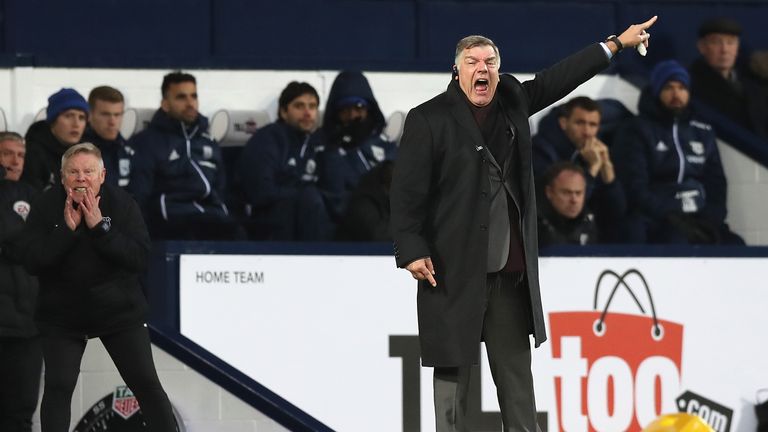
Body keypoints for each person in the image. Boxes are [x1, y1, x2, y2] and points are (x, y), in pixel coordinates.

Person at [390, 17, 656, 431]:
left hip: (508, 276)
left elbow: (559, 79)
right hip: (451, 271)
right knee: (450, 392)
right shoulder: (428, 119)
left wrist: (615, 45)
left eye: (491, 61)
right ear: (456, 70)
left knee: (517, 387)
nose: (483, 68)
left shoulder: (513, 99)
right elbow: (406, 193)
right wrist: (410, 248)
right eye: (473, 61)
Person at [13, 143, 176, 432]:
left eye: (88, 171)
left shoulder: (123, 203)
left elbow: (139, 257)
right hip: (61, 315)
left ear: (102, 175)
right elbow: (31, 261)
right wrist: (67, 230)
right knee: (58, 387)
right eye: (73, 172)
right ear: (62, 178)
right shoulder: (46, 204)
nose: (81, 178)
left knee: (147, 384)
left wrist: (101, 228)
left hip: (119, 311)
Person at [614, 60, 744, 244]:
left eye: (682, 88)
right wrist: (668, 214)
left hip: (699, 216)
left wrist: (711, 217)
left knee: (735, 245)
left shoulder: (702, 131)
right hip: (659, 218)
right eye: (669, 87)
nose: (676, 94)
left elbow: (717, 183)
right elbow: (635, 186)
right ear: (657, 90)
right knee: (676, 240)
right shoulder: (636, 129)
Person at [129, 71, 243, 240]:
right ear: (165, 104)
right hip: (172, 221)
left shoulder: (208, 141)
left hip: (214, 219)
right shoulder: (147, 142)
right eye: (181, 97)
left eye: (193, 96)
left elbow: (222, 189)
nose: (190, 103)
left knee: (240, 234)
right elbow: (140, 195)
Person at [237, 81, 333, 240]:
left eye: (312, 106)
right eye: (299, 106)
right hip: (272, 223)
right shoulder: (268, 139)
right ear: (283, 112)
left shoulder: (321, 142)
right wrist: (302, 192)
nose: (307, 113)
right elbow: (261, 191)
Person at [532, 96, 626, 241]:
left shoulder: (595, 151)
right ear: (563, 123)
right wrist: (592, 170)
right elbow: (556, 204)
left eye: (593, 125)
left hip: (586, 225)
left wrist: (607, 169)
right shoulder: (541, 150)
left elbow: (617, 211)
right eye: (580, 123)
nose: (587, 132)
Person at [0, 132, 41, 432]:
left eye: (20, 154)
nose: (15, 161)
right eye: (6, 154)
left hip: (28, 327)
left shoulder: (35, 195)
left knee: (20, 415)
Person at [317, 70, 397, 219]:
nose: (352, 116)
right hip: (352, 228)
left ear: (369, 110)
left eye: (358, 107)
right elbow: (336, 203)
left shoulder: (388, 148)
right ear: (335, 113)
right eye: (345, 110)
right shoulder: (326, 151)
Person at [689, 17, 768, 140]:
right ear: (702, 47)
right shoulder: (690, 85)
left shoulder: (753, 86)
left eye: (730, 42)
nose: (724, 50)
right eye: (716, 42)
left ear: (737, 47)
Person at [21, 88, 88, 190]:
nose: (76, 124)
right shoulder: (32, 154)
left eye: (81, 117)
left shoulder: (88, 153)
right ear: (53, 121)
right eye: (69, 116)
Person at [83, 85, 134, 189]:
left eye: (117, 115)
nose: (112, 122)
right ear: (89, 115)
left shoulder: (130, 150)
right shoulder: (75, 152)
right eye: (105, 114)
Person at [537, 162, 598, 247]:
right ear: (549, 192)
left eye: (578, 193)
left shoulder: (589, 222)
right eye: (566, 193)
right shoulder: (532, 226)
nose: (574, 200)